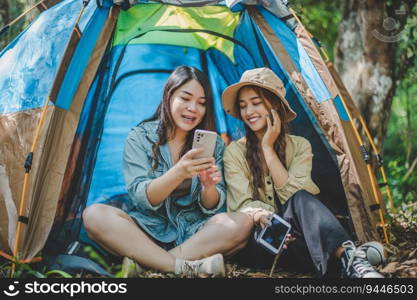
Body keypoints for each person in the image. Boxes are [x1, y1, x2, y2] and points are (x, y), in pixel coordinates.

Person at [83, 66, 253, 277]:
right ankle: (180, 267)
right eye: (186, 98)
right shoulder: (140, 137)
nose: (193, 108)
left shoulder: (214, 143)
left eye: (202, 103)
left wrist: (208, 187)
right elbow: (140, 196)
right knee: (94, 214)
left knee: (242, 222)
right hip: (146, 230)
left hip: (194, 234)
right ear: (169, 95)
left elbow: (212, 207)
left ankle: (148, 264)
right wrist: (178, 172)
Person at [221, 67, 384, 278]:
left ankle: (350, 262)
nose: (248, 112)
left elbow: (296, 197)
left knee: (301, 200)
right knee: (300, 236)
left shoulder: (300, 146)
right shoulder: (234, 152)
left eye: (256, 102)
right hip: (261, 237)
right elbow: (241, 205)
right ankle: (353, 256)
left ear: (275, 104)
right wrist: (268, 219)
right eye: (243, 106)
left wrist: (268, 149)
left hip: (299, 233)